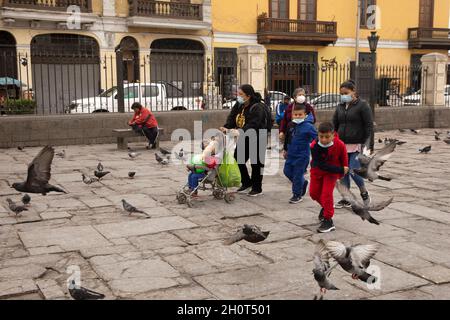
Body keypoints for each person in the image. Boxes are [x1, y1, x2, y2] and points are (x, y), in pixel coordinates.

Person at [220, 84, 267, 197]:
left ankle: (257, 188)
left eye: (241, 94)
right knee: (238, 160)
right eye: (238, 94)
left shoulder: (258, 107)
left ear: (248, 95)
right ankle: (246, 182)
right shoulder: (239, 105)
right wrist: (226, 127)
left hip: (258, 136)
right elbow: (232, 117)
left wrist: (240, 131)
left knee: (256, 164)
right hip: (244, 137)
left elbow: (254, 123)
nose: (238, 96)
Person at [333, 80, 373, 209]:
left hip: (357, 144)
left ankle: (364, 192)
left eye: (346, 93)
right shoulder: (339, 106)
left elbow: (368, 127)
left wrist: (369, 145)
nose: (343, 95)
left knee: (353, 170)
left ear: (353, 92)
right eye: (341, 93)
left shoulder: (363, 106)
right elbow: (334, 125)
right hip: (341, 145)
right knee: (343, 172)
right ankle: (347, 198)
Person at [310, 122, 349, 233]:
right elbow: (321, 165)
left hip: (331, 174)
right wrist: (340, 170)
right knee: (313, 193)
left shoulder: (340, 144)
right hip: (318, 171)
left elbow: (344, 158)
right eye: (321, 136)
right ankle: (326, 207)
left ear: (333, 135)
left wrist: (343, 170)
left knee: (326, 194)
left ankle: (328, 220)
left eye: (327, 137)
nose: (323, 139)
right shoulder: (314, 146)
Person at [283, 103, 317, 204]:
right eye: (295, 115)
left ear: (305, 115)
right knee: (287, 171)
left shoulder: (309, 126)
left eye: (300, 115)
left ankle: (297, 195)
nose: (297, 117)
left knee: (297, 175)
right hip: (291, 154)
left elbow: (316, 138)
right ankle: (303, 183)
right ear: (292, 114)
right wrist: (285, 149)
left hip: (302, 155)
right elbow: (287, 138)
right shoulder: (290, 125)